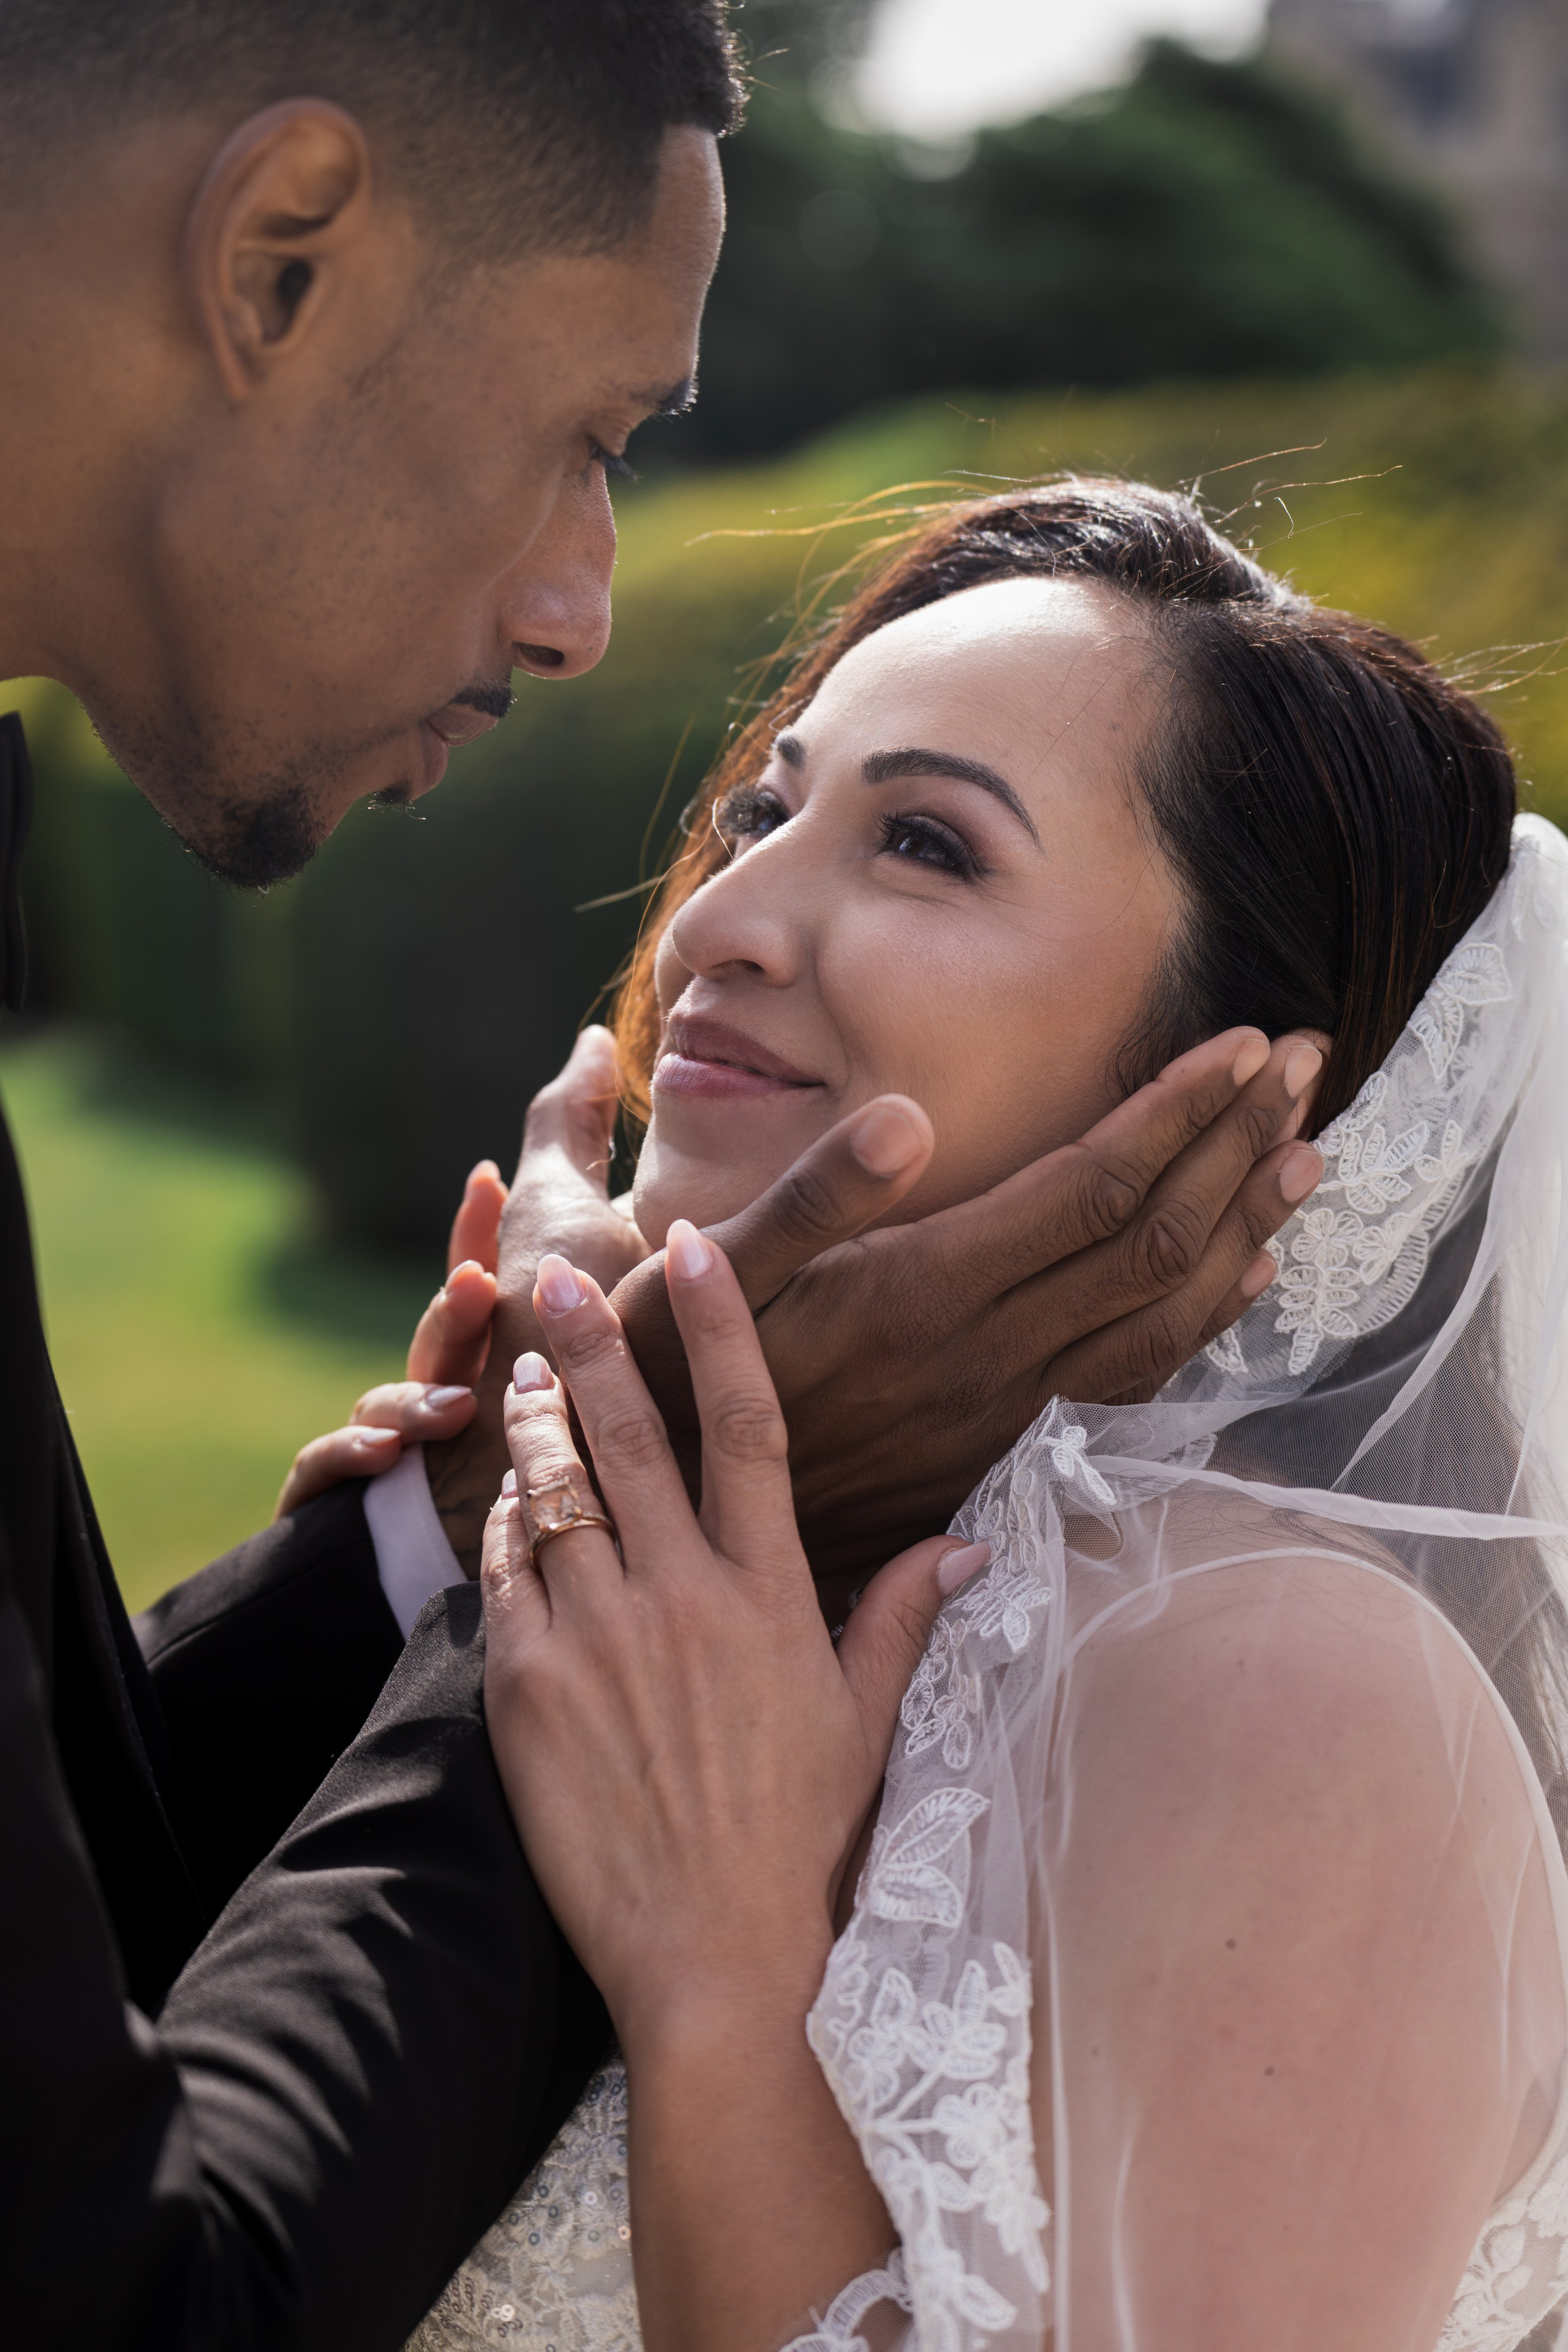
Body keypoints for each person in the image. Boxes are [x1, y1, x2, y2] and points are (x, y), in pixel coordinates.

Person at [0, 13, 1319, 2352]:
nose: (582, 615)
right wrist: (638, 1521)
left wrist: (462, 1525)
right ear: (276, 259)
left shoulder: (1281, 1739)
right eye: (587, 437)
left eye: (923, 840)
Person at [413, 481, 1568, 2352]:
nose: (718, 919)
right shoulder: (714, 1556)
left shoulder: (1280, 1682)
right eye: (761, 812)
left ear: (1235, 1097)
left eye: (928, 847)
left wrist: (724, 1974)